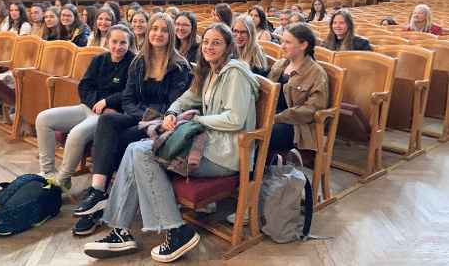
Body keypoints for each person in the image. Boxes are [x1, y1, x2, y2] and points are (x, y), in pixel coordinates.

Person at [83, 22, 259, 262]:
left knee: (141, 152)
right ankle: (121, 231)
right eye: (206, 42)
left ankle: (176, 231)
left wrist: (199, 119)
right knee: (135, 148)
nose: (209, 47)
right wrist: (172, 113)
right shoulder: (211, 71)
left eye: (216, 43)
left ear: (228, 47)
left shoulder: (235, 72)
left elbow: (235, 119)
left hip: (225, 154)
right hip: (208, 145)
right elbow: (187, 98)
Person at [74, 13, 191, 224]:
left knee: (117, 140)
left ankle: (108, 204)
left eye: (164, 30)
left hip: (162, 122)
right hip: (139, 117)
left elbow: (173, 105)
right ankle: (98, 190)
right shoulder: (139, 61)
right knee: (107, 121)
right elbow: (128, 99)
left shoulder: (180, 66)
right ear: (148, 32)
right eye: (154, 29)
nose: (158, 33)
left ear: (171, 34)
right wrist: (140, 116)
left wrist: (146, 117)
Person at [36, 25, 135, 202]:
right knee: (43, 118)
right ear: (107, 41)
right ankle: (48, 173)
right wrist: (96, 102)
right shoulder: (99, 59)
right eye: (114, 41)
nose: (117, 47)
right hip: (88, 107)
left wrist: (107, 103)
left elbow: (130, 92)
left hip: (108, 117)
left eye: (123, 43)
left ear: (129, 44)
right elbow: (85, 86)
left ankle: (63, 179)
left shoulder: (134, 64)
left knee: (76, 133)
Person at [267, 23, 329, 154]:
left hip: (296, 126)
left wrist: (277, 117)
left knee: (259, 134)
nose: (282, 46)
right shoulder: (280, 65)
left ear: (303, 45)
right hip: (272, 117)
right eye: (282, 41)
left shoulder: (316, 73)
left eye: (287, 42)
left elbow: (312, 109)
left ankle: (260, 168)